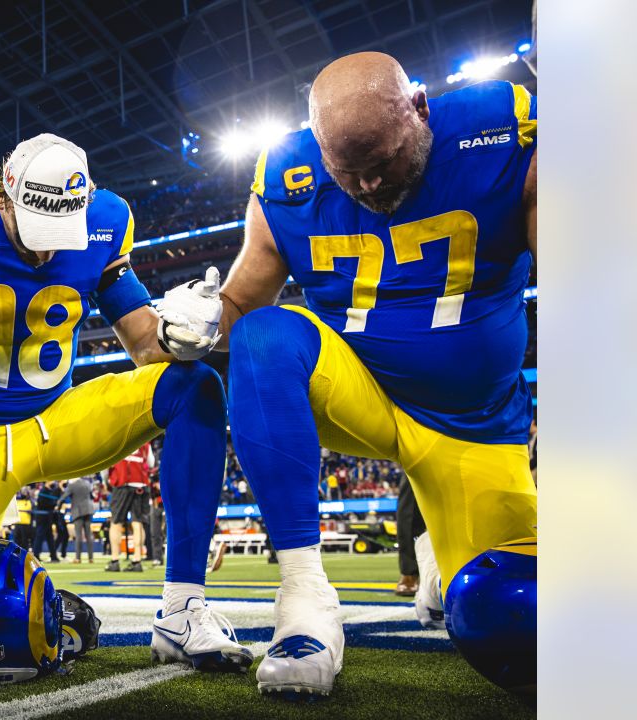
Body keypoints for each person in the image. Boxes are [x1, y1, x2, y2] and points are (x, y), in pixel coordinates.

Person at [207, 52, 537, 696]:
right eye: (345, 172)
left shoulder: (503, 138)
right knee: (264, 335)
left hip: (470, 427)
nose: (365, 188)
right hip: (359, 396)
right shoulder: (287, 174)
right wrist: (193, 320)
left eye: (381, 164)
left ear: (419, 109)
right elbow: (239, 304)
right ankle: (306, 600)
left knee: (515, 624)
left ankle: (446, 553)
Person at [0, 134, 252, 673]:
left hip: (54, 421)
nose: (47, 251)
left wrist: (182, 334)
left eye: (60, 236)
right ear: (4, 193)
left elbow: (142, 344)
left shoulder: (107, 220)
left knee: (194, 381)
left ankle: (183, 608)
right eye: (36, 232)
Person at [105, 442, 154, 572]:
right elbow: (151, 463)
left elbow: (105, 465)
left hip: (122, 483)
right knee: (138, 523)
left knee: (116, 522)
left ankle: (115, 561)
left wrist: (108, 481)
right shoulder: (145, 442)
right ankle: (137, 560)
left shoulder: (116, 438)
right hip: (141, 484)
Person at [61, 476, 97, 563]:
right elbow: (92, 496)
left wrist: (57, 503)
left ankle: (78, 558)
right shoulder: (87, 484)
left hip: (78, 511)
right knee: (89, 535)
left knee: (78, 535)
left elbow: (64, 497)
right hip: (88, 509)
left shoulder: (72, 485)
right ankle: (91, 558)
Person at [31, 483, 62, 563]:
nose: (53, 482)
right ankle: (36, 556)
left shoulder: (48, 491)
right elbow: (45, 503)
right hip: (42, 518)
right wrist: (55, 503)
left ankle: (53, 556)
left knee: (49, 537)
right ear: (47, 482)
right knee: (40, 536)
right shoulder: (44, 491)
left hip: (47, 518)